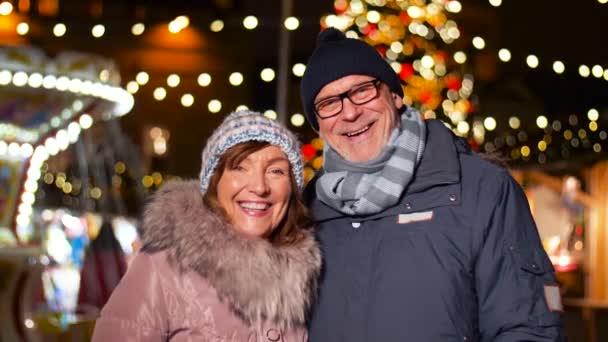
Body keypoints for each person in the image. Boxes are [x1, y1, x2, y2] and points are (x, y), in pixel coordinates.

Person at [299, 28, 565, 341]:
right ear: (319, 125)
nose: (350, 111)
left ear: (395, 96)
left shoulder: (479, 189)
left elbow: (527, 328)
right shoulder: (305, 211)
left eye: (362, 91)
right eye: (329, 103)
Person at [92, 110, 321, 341]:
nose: (260, 187)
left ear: (291, 188)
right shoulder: (164, 268)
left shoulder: (307, 278)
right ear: (215, 182)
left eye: (276, 171)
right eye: (240, 167)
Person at [77, 219, 127, 312]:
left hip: (94, 308)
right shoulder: (117, 251)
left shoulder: (93, 250)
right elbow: (124, 277)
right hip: (115, 308)